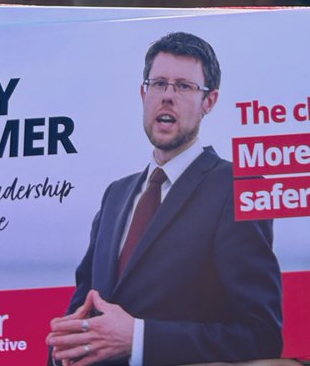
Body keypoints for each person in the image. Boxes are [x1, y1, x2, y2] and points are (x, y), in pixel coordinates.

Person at [46, 30, 283, 366]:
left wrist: (138, 338)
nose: (167, 97)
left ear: (209, 101)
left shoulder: (237, 188)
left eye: (184, 87)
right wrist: (62, 349)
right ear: (144, 93)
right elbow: (82, 311)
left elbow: (260, 336)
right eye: (158, 84)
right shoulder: (115, 195)